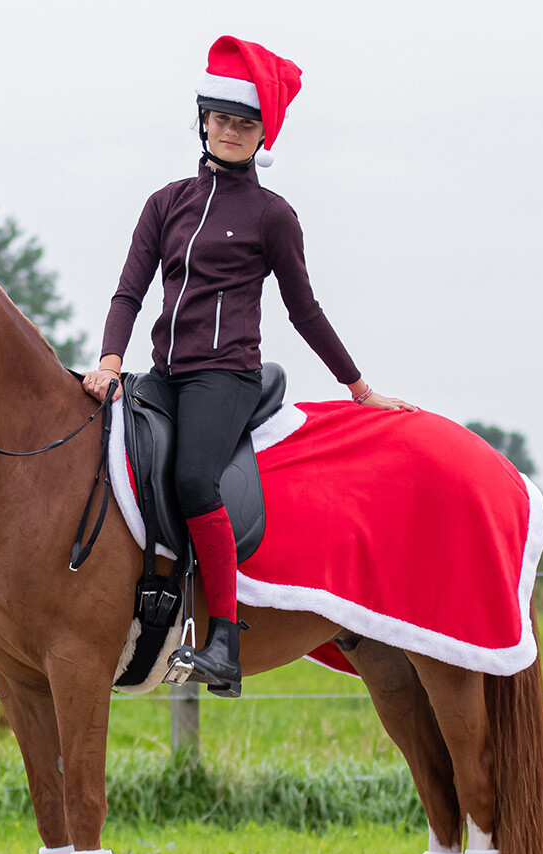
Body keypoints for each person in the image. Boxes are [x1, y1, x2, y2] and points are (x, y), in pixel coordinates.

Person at [82, 35, 414, 691]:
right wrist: (111, 359)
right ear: (203, 120)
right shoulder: (165, 202)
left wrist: (359, 387)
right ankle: (148, 601)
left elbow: (304, 310)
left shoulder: (272, 216)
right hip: (161, 376)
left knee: (193, 479)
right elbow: (129, 290)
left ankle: (225, 641)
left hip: (225, 376)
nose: (230, 131)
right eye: (222, 119)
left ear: (263, 134)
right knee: (115, 461)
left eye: (245, 123)